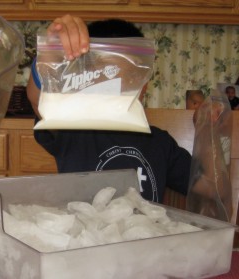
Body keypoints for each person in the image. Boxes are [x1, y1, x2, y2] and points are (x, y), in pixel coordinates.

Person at [27, 18, 192, 203]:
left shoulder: (161, 143)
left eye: (132, 78)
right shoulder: (73, 132)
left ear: (144, 84)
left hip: (148, 231)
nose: (119, 87)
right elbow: (38, 99)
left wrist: (209, 129)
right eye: (105, 77)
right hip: (85, 231)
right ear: (84, 79)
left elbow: (206, 186)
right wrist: (51, 52)